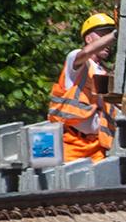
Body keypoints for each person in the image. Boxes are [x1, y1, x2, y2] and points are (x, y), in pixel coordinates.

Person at [49, 12, 119, 162]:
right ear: (88, 39)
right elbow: (86, 52)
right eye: (102, 35)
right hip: (71, 143)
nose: (108, 43)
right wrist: (114, 35)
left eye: (109, 36)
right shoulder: (76, 59)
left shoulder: (103, 72)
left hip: (95, 145)